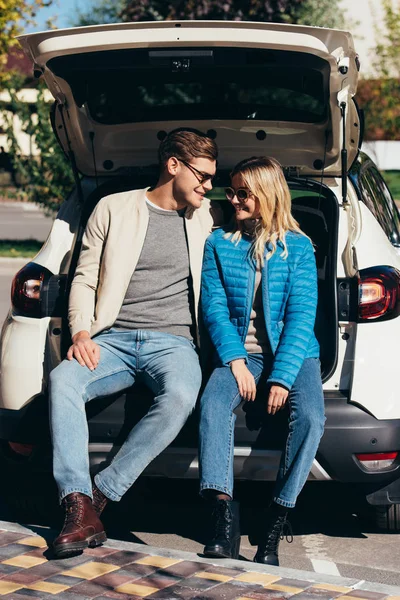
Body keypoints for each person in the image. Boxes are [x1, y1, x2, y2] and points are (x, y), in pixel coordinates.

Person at [49, 128, 220, 558]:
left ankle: (100, 494)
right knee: (63, 380)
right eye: (202, 175)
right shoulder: (113, 207)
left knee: (182, 392)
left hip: (174, 342)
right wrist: (82, 332)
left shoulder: (206, 217)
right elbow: (84, 276)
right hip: (114, 338)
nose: (208, 185)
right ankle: (75, 502)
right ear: (173, 165)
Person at [199, 156, 325, 565]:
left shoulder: (299, 247)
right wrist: (235, 360)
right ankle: (222, 519)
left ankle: (275, 523)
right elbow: (214, 307)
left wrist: (283, 378)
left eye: (243, 193)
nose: (233, 199)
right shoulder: (218, 243)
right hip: (243, 353)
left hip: (295, 353)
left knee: (311, 418)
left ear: (267, 195)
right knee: (214, 404)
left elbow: (302, 317)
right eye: (230, 191)